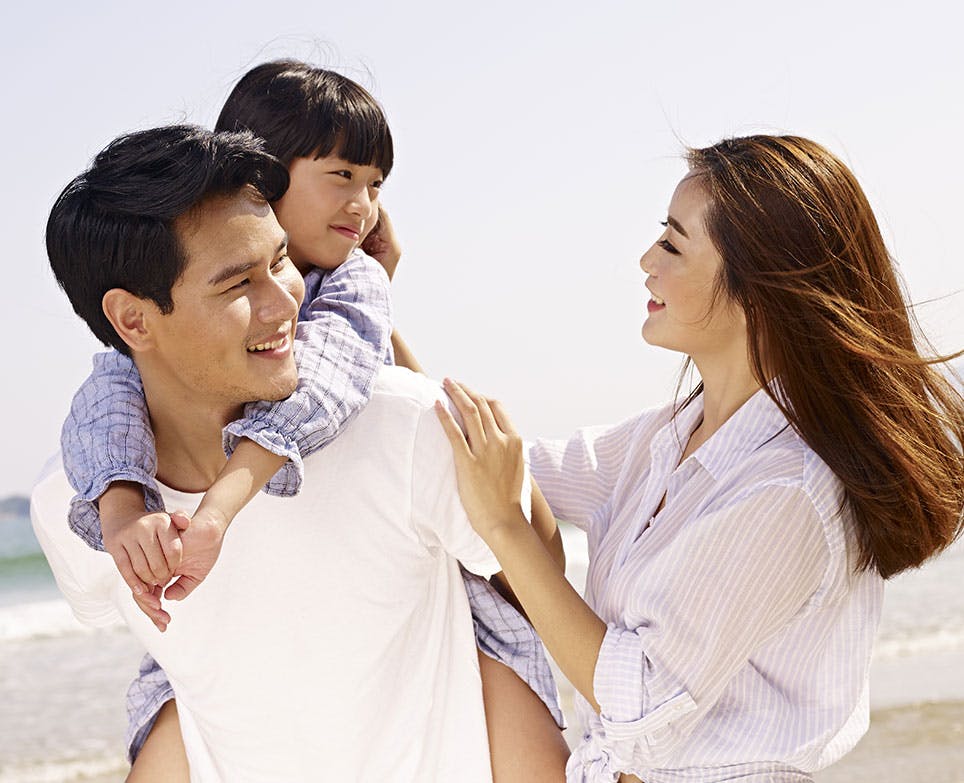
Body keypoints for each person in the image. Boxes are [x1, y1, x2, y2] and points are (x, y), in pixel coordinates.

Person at [55, 61, 567, 780]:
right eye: (343, 176)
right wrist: (117, 504)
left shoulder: (356, 295)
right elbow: (106, 391)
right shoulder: (138, 358)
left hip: (435, 609)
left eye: (376, 185)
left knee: (512, 680)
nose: (362, 205)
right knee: (166, 708)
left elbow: (338, 381)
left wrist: (220, 507)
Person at [431, 135, 964, 782]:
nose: (645, 260)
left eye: (674, 245)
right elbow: (489, 463)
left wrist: (506, 531)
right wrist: (372, 297)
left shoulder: (786, 489)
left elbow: (641, 704)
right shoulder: (671, 435)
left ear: (759, 291)